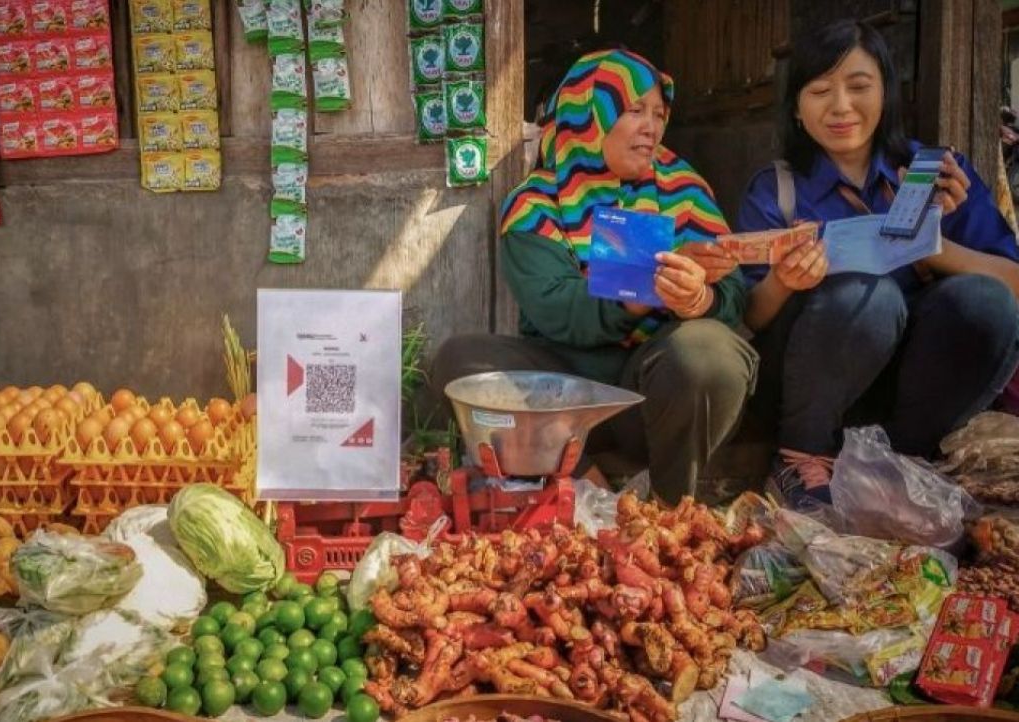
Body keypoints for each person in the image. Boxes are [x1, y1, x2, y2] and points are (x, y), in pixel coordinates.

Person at [431, 49, 756, 503]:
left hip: (658, 397)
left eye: (659, 114)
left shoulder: (683, 189)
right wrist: (640, 292)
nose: (652, 126)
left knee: (708, 351)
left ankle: (672, 509)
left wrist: (700, 299)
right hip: (564, 400)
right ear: (588, 114)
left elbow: (737, 297)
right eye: (633, 110)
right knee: (461, 361)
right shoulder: (536, 206)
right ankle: (582, 479)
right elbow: (557, 311)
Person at [736, 19, 1019, 511]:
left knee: (986, 302)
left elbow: (1013, 286)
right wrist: (784, 280)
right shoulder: (777, 192)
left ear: (886, 92)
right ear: (798, 110)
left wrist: (929, 248)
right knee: (869, 294)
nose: (841, 106)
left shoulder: (936, 177)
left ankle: (900, 460)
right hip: (813, 390)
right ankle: (800, 457)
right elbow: (748, 317)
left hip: (908, 397)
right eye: (820, 90)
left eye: (859, 86)